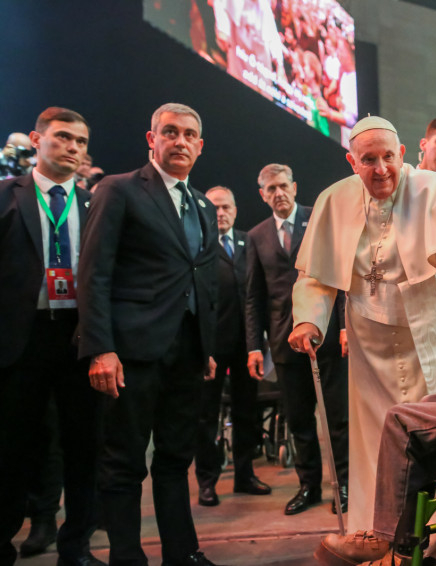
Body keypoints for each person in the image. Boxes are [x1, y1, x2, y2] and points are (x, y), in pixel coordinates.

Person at [289, 115, 436, 534]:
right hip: (371, 342)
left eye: (387, 157)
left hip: (430, 331)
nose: (380, 169)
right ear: (352, 162)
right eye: (368, 160)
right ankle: (376, 532)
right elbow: (315, 275)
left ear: (401, 154)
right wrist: (308, 321)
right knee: (377, 437)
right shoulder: (334, 200)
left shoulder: (431, 187)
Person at [77, 103, 221, 566]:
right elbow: (93, 273)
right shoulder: (118, 189)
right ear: (151, 139)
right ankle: (127, 558)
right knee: (123, 462)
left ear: (200, 146)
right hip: (131, 352)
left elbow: (203, 280)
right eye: (170, 132)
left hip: (187, 353)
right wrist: (100, 348)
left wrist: (206, 347)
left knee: (176, 460)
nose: (180, 141)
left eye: (190, 135)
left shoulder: (202, 205)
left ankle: (182, 554)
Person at [0, 107, 102, 566]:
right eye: (63, 137)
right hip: (19, 340)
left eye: (81, 141)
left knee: (84, 448)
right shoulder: (6, 195)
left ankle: (75, 546)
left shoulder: (95, 204)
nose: (73, 148)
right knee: (11, 447)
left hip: (79, 338)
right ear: (37, 140)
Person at [245, 163, 349, 516]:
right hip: (283, 341)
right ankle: (309, 486)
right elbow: (254, 297)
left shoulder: (318, 218)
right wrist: (254, 346)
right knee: (299, 420)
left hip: (327, 335)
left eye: (283, 186)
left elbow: (339, 275)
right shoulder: (257, 236)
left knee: (337, 418)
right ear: (263, 195)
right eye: (271, 189)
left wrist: (345, 325)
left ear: (295, 186)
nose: (278, 193)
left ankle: (344, 485)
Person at [194, 186, 270, 507]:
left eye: (226, 207)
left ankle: (245, 475)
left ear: (235, 210)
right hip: (211, 346)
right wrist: (202, 348)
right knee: (206, 415)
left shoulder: (247, 242)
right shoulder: (198, 244)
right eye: (215, 208)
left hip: (246, 345)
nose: (221, 213)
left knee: (247, 412)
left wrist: (257, 343)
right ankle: (207, 481)